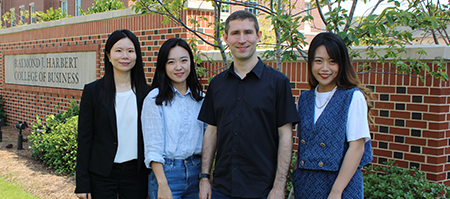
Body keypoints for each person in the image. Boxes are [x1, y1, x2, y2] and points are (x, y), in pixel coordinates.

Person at [198, 10, 300, 199]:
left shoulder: (278, 83)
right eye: (235, 33)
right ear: (226, 38)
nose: (242, 39)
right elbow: (211, 131)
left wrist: (279, 187)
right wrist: (205, 177)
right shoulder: (217, 84)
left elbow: (285, 136)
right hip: (222, 189)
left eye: (248, 32)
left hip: (263, 190)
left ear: (258, 36)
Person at [293, 32, 373, 199]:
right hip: (306, 186)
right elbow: (303, 147)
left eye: (332, 61)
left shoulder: (352, 97)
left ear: (341, 64)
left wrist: (336, 192)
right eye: (318, 61)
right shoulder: (304, 99)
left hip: (340, 187)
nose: (325, 68)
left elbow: (357, 148)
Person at [75, 29, 150, 199]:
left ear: (137, 55)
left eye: (130, 51)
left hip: (136, 175)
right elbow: (84, 139)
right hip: (101, 174)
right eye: (119, 50)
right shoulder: (93, 91)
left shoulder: (147, 94)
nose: (125, 56)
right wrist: (82, 182)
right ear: (108, 55)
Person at [141, 38, 205, 199]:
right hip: (167, 173)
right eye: (171, 62)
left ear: (191, 62)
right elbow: (152, 147)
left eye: (184, 60)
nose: (178, 67)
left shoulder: (201, 99)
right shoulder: (154, 99)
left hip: (197, 172)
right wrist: (162, 184)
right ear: (163, 66)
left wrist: (206, 176)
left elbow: (209, 142)